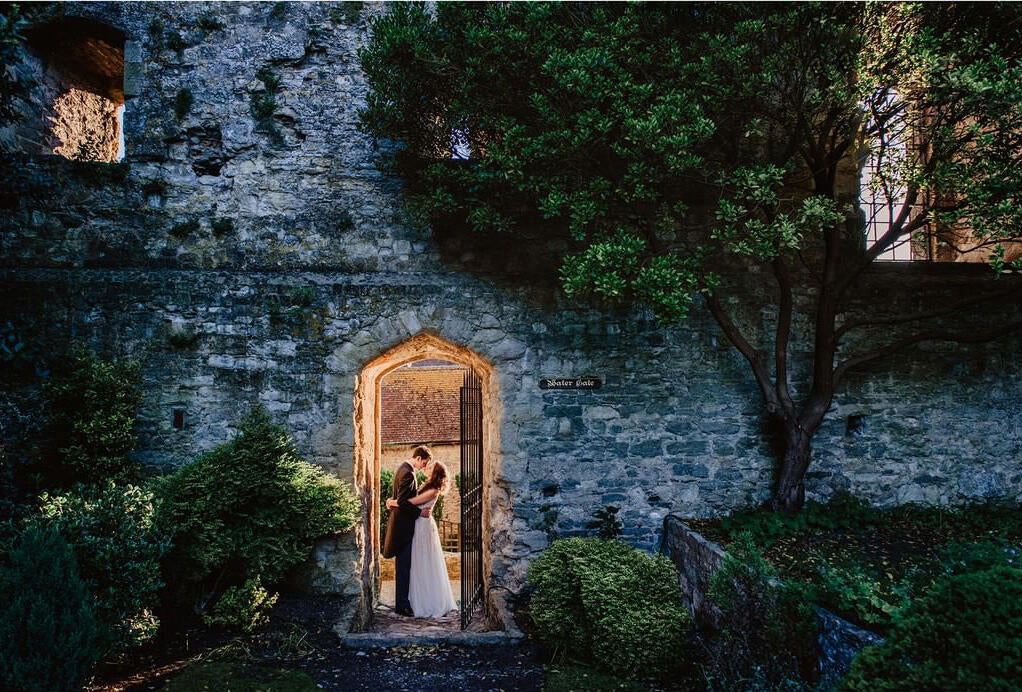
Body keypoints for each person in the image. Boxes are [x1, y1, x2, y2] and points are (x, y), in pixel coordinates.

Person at [387, 460, 458, 618]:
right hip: (419, 523)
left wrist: (391, 502)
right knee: (418, 563)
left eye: (431, 467)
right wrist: (417, 512)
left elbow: (411, 502)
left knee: (425, 563)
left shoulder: (433, 490)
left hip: (423, 527)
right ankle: (415, 599)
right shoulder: (427, 485)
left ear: (436, 473)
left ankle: (428, 602)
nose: (428, 467)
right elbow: (415, 505)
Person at [381, 446, 432, 616]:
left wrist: (391, 501)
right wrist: (420, 512)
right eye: (424, 463)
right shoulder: (408, 473)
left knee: (403, 567)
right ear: (418, 458)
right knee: (403, 567)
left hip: (402, 525)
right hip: (403, 528)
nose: (424, 467)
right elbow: (403, 502)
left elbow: (400, 499)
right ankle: (402, 606)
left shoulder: (402, 469)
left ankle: (400, 604)